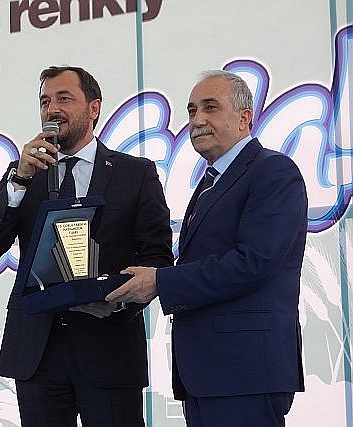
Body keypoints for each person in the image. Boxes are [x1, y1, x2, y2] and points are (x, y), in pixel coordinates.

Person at [0, 66, 173, 426]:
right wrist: (19, 182)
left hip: (109, 347)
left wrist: (117, 299)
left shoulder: (135, 173)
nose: (52, 109)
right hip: (37, 352)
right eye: (45, 102)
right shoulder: (23, 173)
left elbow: (156, 257)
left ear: (94, 107)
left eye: (64, 98)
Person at [107, 70, 307, 427]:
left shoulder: (273, 171)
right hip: (206, 374)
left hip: (246, 372)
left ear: (244, 118)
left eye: (210, 107)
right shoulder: (210, 182)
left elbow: (253, 262)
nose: (197, 120)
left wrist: (160, 282)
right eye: (192, 110)